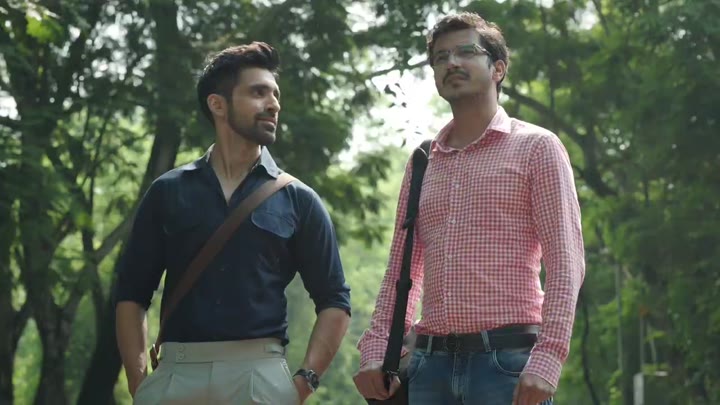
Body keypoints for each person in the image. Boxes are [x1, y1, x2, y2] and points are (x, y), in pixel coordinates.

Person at [353, 12, 585, 405]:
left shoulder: (537, 148)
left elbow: (566, 263)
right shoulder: (423, 161)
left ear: (498, 68)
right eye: (441, 58)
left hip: (508, 365)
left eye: (466, 52)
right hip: (429, 369)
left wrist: (548, 359)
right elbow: (402, 270)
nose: (452, 63)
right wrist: (376, 350)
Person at [115, 42, 351, 405]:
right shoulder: (167, 192)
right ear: (218, 104)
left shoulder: (299, 199)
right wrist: (139, 382)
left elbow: (334, 299)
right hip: (176, 374)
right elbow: (132, 294)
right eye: (258, 93)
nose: (274, 104)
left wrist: (304, 382)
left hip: (261, 375)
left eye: (275, 94)